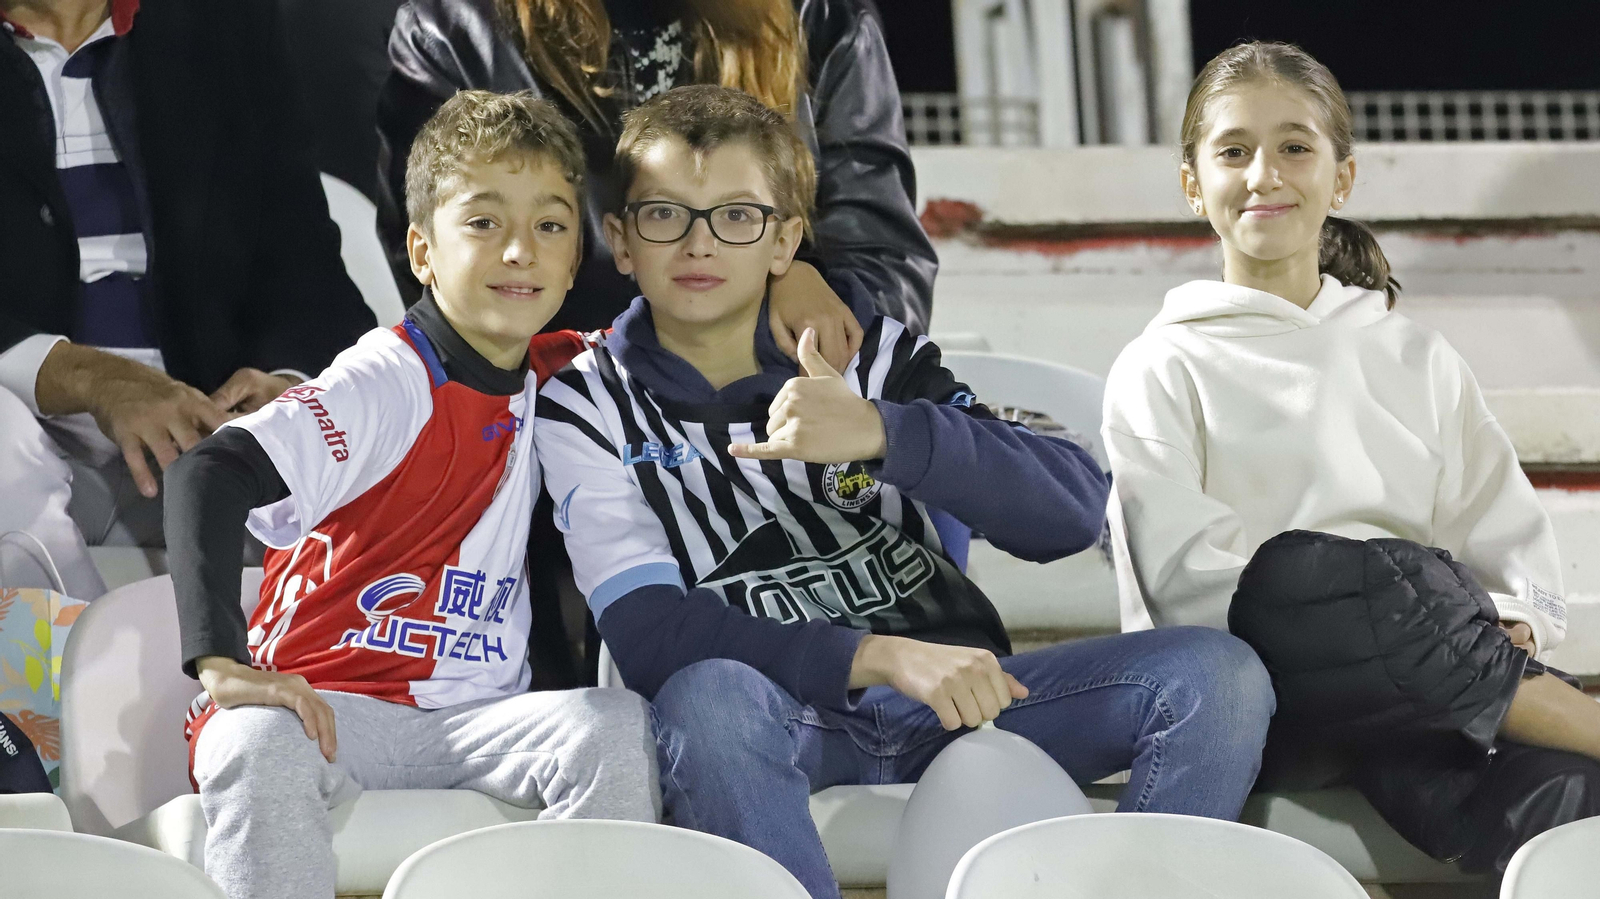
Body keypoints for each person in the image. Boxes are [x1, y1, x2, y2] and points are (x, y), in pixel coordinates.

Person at [533, 84, 1275, 899]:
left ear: (785, 241)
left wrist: (883, 431)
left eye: (737, 216)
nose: (700, 242)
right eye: (665, 215)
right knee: (705, 698)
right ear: (620, 240)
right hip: (781, 717)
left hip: (966, 702)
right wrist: (877, 657)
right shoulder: (583, 401)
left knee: (1217, 677)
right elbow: (650, 636)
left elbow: (1070, 511)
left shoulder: (872, 355)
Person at [1103, 41, 1600, 875]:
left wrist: (1511, 613)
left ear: (1342, 179)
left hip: (1427, 696)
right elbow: (1190, 586)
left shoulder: (1416, 356)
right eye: (1234, 151)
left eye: (1295, 147)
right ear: (1193, 184)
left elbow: (1507, 539)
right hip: (1272, 694)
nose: (1264, 174)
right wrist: (1400, 608)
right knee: (1339, 578)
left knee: (1568, 795)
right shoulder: (1161, 364)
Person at [166, 91, 658, 899]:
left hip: (475, 723)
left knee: (612, 727)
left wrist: (798, 282)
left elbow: (697, 321)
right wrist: (222, 664)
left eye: (549, 225)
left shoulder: (565, 370)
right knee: (257, 743)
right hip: (329, 709)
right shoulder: (385, 376)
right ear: (422, 251)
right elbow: (208, 471)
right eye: (484, 222)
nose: (520, 251)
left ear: (577, 259)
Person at [0, 0, 376, 600]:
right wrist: (90, 378)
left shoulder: (221, 26)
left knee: (374, 462)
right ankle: (72, 657)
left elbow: (306, 270)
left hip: (199, 429)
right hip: (28, 425)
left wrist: (287, 386)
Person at [377, 0, 934, 361]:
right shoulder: (453, 26)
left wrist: (803, 286)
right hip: (547, 417)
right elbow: (440, 264)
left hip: (767, 416)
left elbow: (884, 260)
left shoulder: (819, 16)